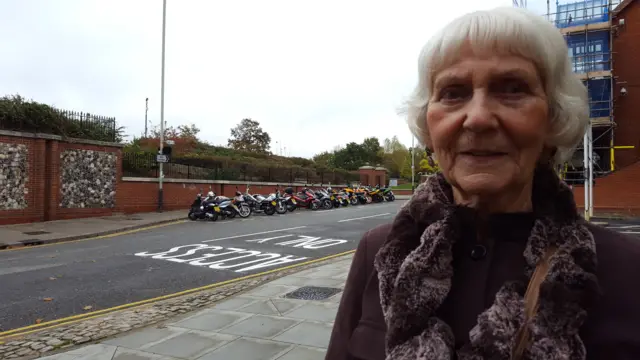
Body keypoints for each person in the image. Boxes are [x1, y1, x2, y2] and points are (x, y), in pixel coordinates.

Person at [326, 6, 640, 360]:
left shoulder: (628, 269)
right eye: (454, 93)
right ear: (429, 128)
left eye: (511, 89)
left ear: (553, 120)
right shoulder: (378, 252)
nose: (477, 119)